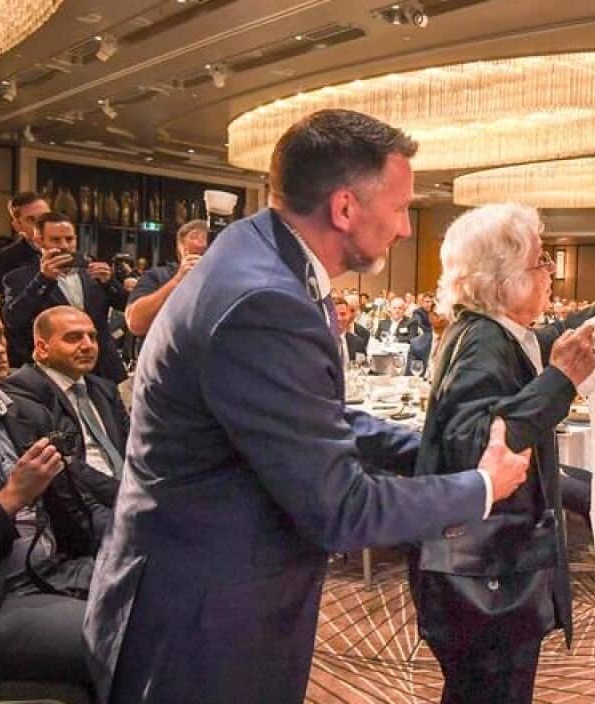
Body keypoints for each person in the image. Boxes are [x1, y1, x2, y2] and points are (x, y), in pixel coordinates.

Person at [83, 109, 531, 704]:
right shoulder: (265, 298)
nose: (404, 228)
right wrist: (479, 486)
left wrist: (430, 446)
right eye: (399, 208)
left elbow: (312, 416)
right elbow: (342, 509)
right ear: (344, 208)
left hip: (216, 590)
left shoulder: (265, 254)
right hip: (203, 620)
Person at [416, 202, 595, 703]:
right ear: (503, 277)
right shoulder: (483, 343)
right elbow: (476, 446)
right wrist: (559, 382)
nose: (551, 271)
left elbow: (562, 335)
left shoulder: (494, 332)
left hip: (491, 570)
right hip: (487, 574)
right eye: (540, 262)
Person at [0, 292, 97, 695]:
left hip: (54, 568)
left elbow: (72, 505)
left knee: (170, 593)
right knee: (129, 633)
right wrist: (11, 497)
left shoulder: (23, 414)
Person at [3, 307, 128, 509]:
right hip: (83, 506)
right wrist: (130, 496)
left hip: (128, 492)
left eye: (92, 337)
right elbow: (69, 467)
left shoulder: (104, 388)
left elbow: (134, 444)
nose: (88, 346)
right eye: (73, 338)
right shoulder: (21, 390)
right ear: (42, 348)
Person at [2, 213, 129, 382]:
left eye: (69, 239)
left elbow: (130, 309)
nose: (64, 246)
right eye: (55, 240)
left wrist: (110, 283)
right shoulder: (18, 278)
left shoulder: (93, 272)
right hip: (55, 373)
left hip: (105, 370)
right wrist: (44, 279)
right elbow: (14, 319)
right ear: (38, 241)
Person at [123, 219, 208, 337]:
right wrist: (177, 281)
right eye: (195, 236)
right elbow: (135, 322)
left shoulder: (224, 280)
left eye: (207, 238)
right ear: (182, 247)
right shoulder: (158, 276)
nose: (202, 242)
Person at [0, 192, 48, 307]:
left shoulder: (75, 254)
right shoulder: (0, 261)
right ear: (17, 226)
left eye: (46, 217)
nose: (41, 224)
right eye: (31, 220)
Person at [334, 297, 370, 365]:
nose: (339, 318)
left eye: (343, 314)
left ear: (348, 315)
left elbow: (364, 369)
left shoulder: (358, 342)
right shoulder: (321, 343)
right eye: (335, 315)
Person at [406, 291, 435, 375]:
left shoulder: (434, 313)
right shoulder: (418, 313)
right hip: (420, 344)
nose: (429, 304)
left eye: (431, 302)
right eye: (427, 302)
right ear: (422, 303)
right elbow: (420, 326)